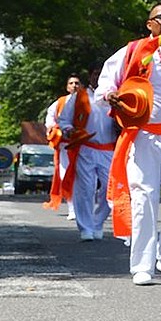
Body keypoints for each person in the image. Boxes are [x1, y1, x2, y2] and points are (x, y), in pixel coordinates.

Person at [97, 0, 161, 285]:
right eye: (160, 17)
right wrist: (109, 96)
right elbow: (107, 82)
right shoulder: (133, 50)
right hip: (142, 134)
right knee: (144, 197)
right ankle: (142, 265)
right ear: (150, 24)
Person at [58, 66, 117, 242]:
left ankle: (97, 223)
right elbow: (64, 119)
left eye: (101, 74)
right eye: (95, 74)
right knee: (85, 189)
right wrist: (69, 130)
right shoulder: (80, 97)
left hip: (108, 149)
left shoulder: (114, 96)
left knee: (109, 190)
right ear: (90, 76)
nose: (98, 77)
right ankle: (86, 228)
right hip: (86, 148)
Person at [44, 74, 84, 220]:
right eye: (71, 83)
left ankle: (85, 208)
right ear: (67, 87)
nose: (74, 85)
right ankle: (72, 209)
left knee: (84, 177)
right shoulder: (60, 102)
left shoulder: (88, 101)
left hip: (84, 146)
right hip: (65, 147)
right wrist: (53, 128)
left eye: (77, 83)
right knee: (66, 176)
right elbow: (50, 118)